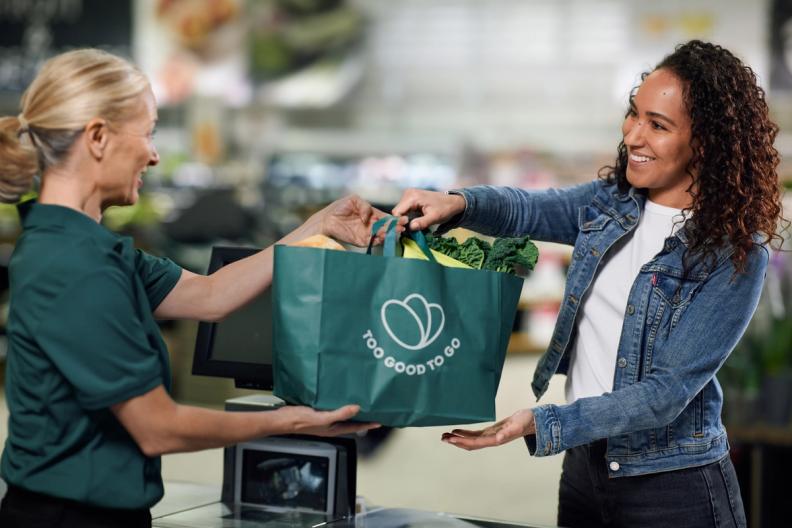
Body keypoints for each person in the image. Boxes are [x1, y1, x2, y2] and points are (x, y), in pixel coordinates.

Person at [0, 48, 398, 528]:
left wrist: (319, 225)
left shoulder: (88, 249)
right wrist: (293, 421)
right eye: (147, 132)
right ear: (98, 137)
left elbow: (211, 297)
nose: (154, 152)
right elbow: (157, 428)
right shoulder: (73, 265)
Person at [394, 40, 784, 528]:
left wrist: (545, 422)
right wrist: (458, 203)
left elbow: (664, 394)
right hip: (585, 468)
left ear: (704, 143)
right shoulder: (611, 204)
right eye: (634, 114)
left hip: (673, 487)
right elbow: (530, 209)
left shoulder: (732, 253)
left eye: (658, 125)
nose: (634, 135)